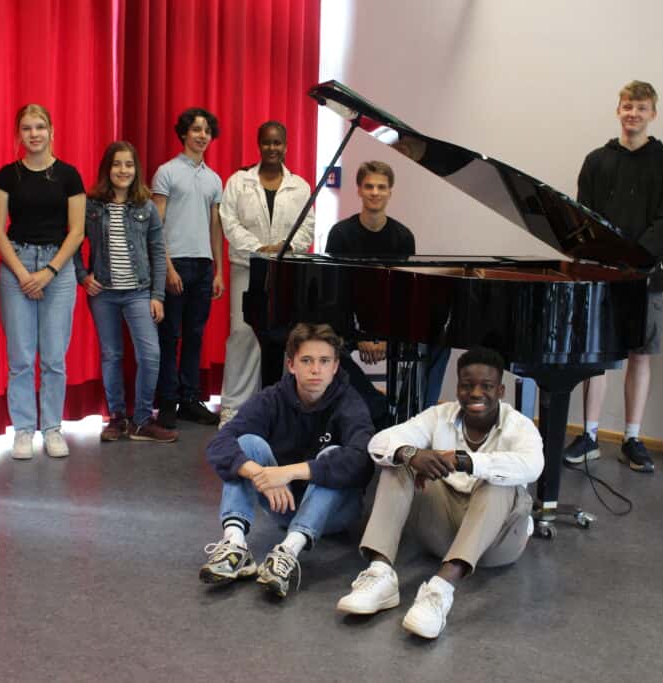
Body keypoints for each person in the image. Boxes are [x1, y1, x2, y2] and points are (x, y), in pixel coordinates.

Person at [335, 347, 543, 639]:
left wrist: (465, 461)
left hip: (496, 545)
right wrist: (411, 454)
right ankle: (380, 574)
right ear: (457, 388)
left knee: (499, 483)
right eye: (467, 385)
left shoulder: (518, 425)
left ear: (501, 391)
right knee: (399, 462)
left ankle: (439, 591)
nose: (476, 393)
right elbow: (379, 442)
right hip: (442, 533)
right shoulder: (438, 415)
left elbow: (533, 465)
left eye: (486, 386)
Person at [200, 323, 374, 598]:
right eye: (307, 361)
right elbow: (220, 443)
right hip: (284, 503)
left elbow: (362, 460)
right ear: (291, 365)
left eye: (324, 361)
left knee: (333, 455)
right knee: (247, 444)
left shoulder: (349, 402)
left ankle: (289, 551)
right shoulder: (272, 398)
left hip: (335, 512)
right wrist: (257, 472)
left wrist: (288, 473)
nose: (315, 369)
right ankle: (234, 544)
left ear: (335, 367)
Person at [563, 81, 663, 473]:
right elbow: (584, 216)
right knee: (598, 354)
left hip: (646, 275)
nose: (634, 113)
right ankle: (590, 435)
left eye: (641, 107)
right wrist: (606, 259)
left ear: (652, 114)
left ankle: (632, 438)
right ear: (619, 111)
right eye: (628, 106)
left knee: (639, 355)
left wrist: (634, 259)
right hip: (602, 273)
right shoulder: (597, 160)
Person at [0, 104, 85, 460]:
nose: (34, 134)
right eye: (27, 128)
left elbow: (77, 231)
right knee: (21, 357)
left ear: (51, 131)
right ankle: (24, 429)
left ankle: (52, 428)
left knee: (54, 357)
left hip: (57, 268)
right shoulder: (6, 176)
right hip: (16, 266)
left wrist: (49, 271)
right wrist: (22, 273)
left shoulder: (69, 176)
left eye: (40, 127)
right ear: (19, 134)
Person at [325, 160, 448, 426]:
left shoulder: (403, 236)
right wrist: (362, 336)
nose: (375, 192)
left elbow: (403, 294)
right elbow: (338, 294)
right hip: (351, 324)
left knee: (441, 342)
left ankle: (414, 416)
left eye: (381, 187)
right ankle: (379, 409)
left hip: (391, 324)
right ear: (359, 190)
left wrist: (382, 335)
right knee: (324, 346)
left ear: (390, 192)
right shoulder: (341, 234)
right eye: (369, 186)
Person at [74, 141, 177, 444]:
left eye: (129, 164)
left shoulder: (146, 207)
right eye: (117, 164)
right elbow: (73, 243)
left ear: (136, 170)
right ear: (107, 169)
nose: (123, 170)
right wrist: (83, 276)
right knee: (112, 354)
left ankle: (142, 420)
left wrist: (157, 295)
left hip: (138, 292)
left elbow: (157, 251)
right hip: (103, 293)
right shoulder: (91, 205)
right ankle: (117, 418)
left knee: (150, 354)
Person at [218, 120, 315, 427]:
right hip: (247, 268)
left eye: (278, 143)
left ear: (286, 146)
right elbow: (229, 221)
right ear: (258, 145)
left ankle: (281, 406)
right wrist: (260, 248)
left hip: (286, 273)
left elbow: (307, 227)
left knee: (284, 337)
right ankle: (234, 409)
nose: (272, 148)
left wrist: (284, 249)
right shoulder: (238, 182)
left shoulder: (300, 186)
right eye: (267, 142)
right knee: (242, 334)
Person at [151, 108, 225, 430]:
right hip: (175, 263)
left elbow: (215, 227)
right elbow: (156, 224)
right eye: (196, 129)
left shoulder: (214, 179)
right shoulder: (166, 172)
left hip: (203, 265)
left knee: (195, 335)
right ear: (184, 133)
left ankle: (190, 400)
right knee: (170, 336)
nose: (202, 135)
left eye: (206, 130)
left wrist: (219, 270)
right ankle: (167, 401)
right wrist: (166, 267)